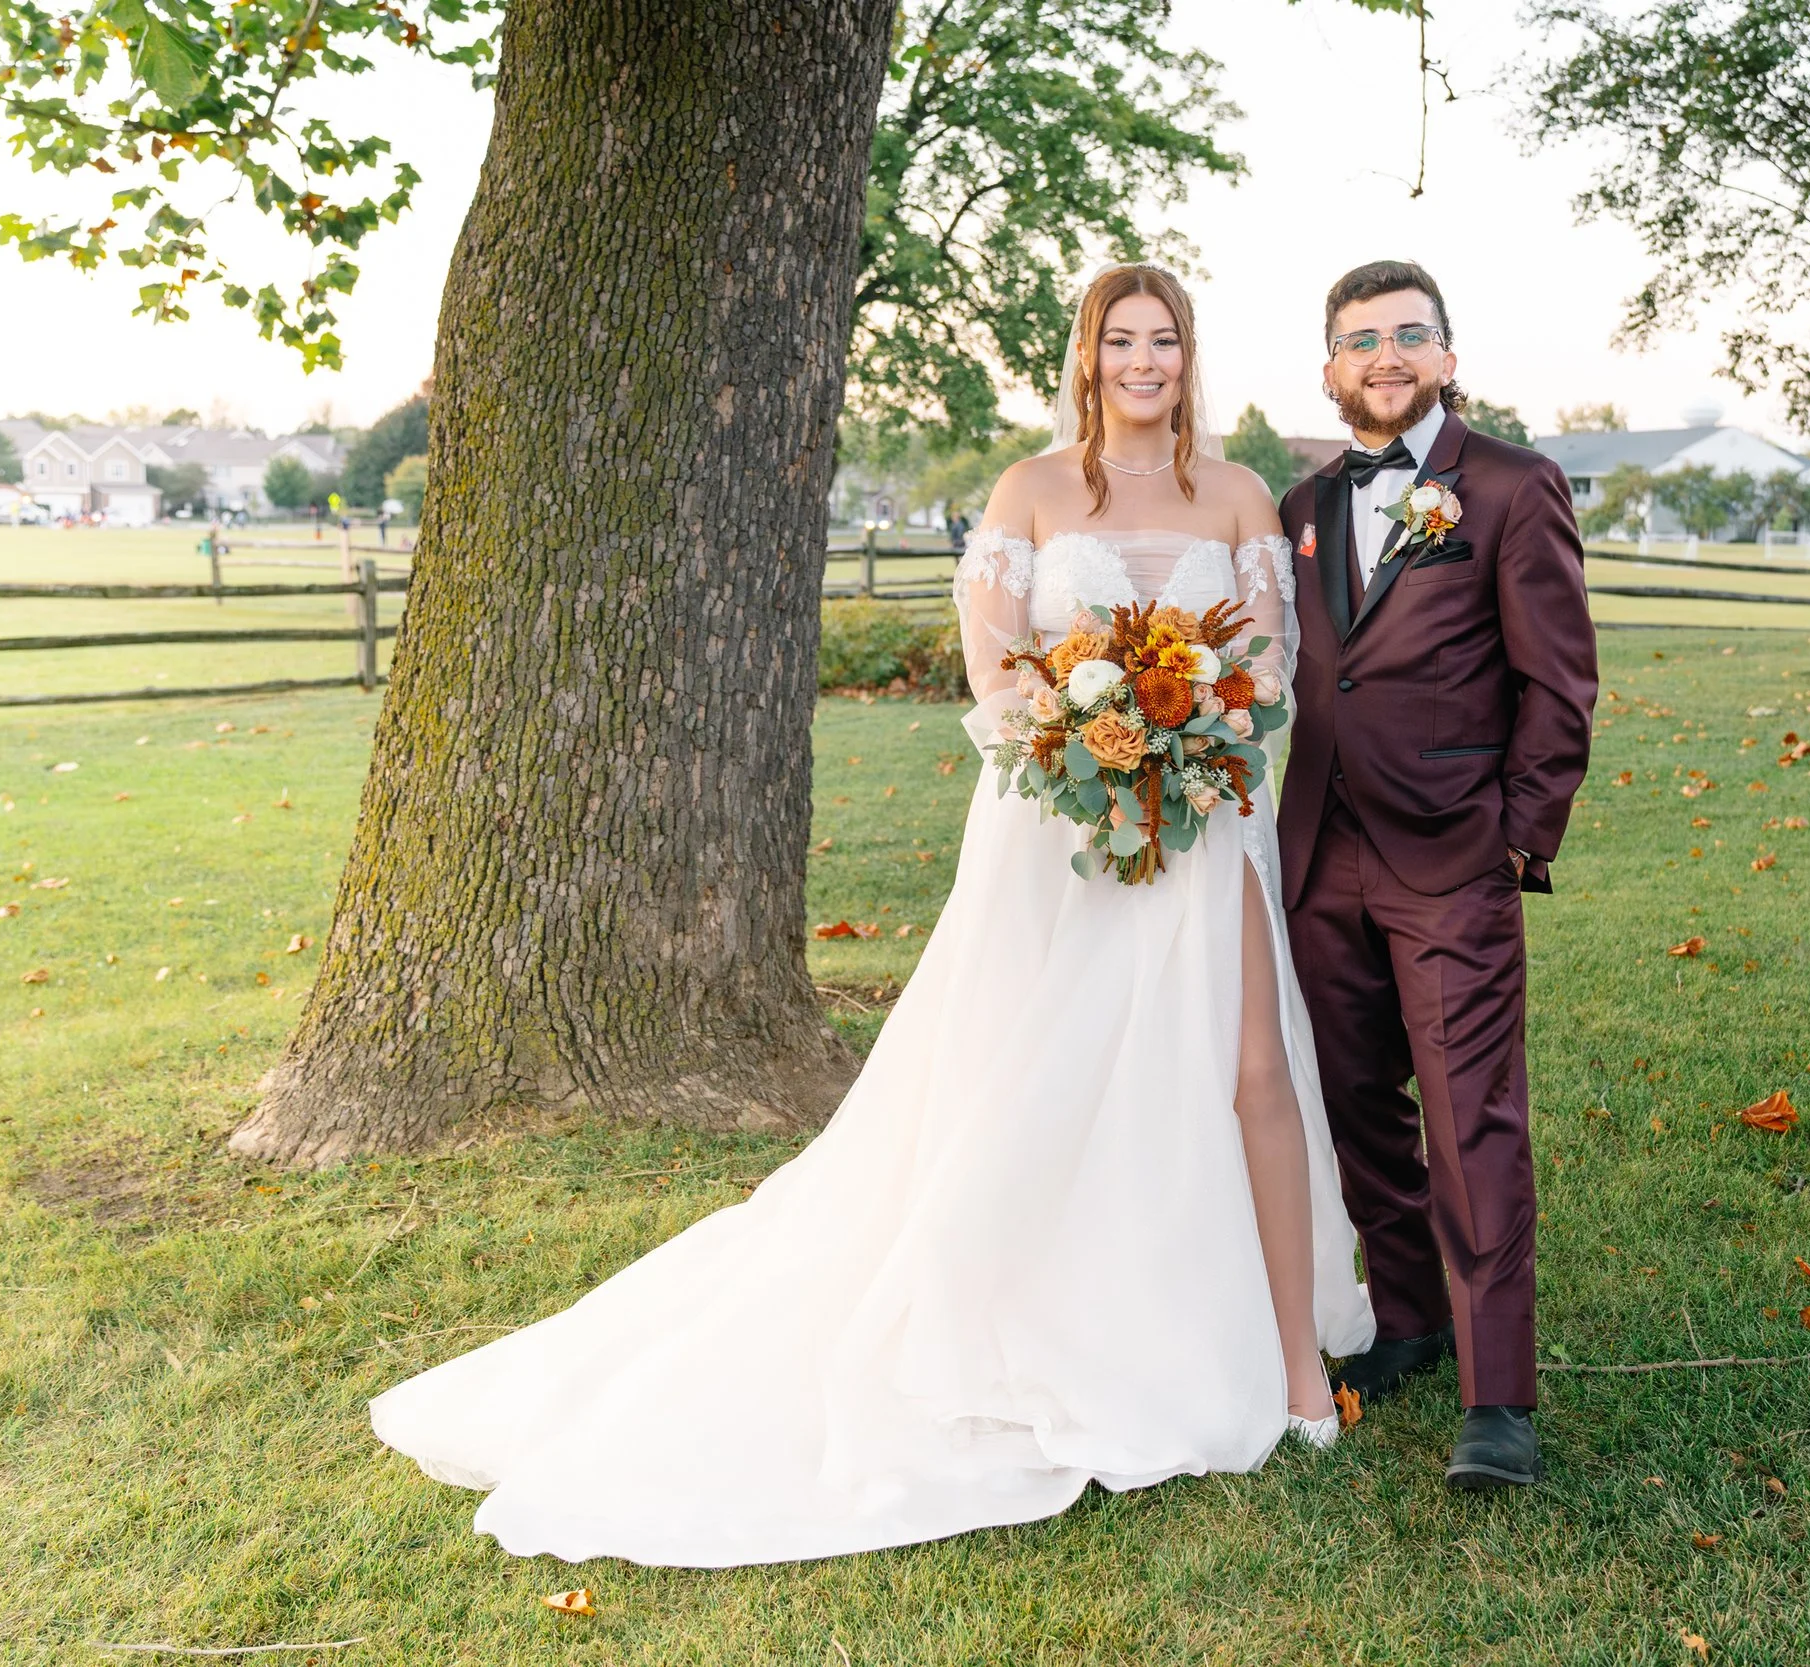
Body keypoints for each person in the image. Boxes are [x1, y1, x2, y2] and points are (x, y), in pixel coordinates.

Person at [369, 263, 1374, 1568]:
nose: (1144, 361)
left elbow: (1271, 670)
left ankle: (1295, 1362)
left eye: (1165, 340)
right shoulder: (1031, 489)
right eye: (1122, 340)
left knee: (1250, 1077)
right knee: (1032, 1079)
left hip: (1204, 824)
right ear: (1090, 356)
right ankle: (1040, 1317)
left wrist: (1194, 740)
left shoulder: (1236, 494)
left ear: (1189, 357)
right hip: (1058, 832)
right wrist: (1090, 743)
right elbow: (996, 659)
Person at [1278, 260, 1596, 1489]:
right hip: (1319, 856)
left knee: (1472, 1121)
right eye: (1362, 340)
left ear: (1447, 357)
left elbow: (1559, 682)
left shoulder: (1513, 487)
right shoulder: (1303, 505)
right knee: (1359, 1108)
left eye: (1410, 335)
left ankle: (1498, 1396)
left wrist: (1515, 834)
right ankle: (1406, 1320)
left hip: (1451, 851)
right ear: (1330, 371)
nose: (1386, 356)